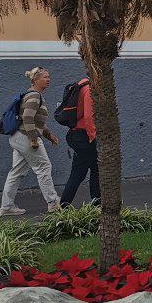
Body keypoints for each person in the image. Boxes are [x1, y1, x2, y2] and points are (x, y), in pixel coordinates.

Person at [0, 67, 61, 216]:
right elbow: (28, 118)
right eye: (45, 77)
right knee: (44, 167)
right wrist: (34, 139)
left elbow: (36, 121)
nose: (49, 79)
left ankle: (6, 207)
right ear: (35, 80)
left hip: (17, 137)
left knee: (16, 172)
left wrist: (48, 134)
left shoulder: (32, 95)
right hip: (26, 138)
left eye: (49, 77)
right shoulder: (34, 95)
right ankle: (53, 203)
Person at [58, 75, 99, 207]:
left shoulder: (81, 84)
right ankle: (65, 204)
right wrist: (93, 137)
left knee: (94, 169)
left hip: (77, 134)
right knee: (79, 173)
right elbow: (89, 116)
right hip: (84, 136)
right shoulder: (89, 89)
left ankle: (97, 202)